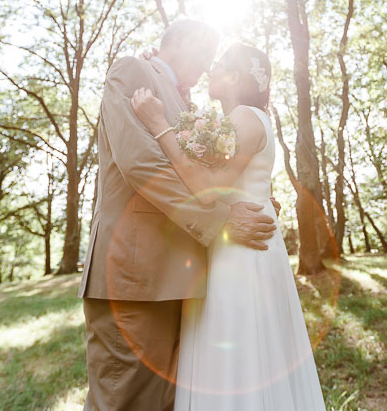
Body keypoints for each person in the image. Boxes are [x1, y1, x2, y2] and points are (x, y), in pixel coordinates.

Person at [79, 20, 278, 411]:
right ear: (182, 42)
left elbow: (211, 173)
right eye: (206, 54)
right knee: (125, 399)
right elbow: (141, 163)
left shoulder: (185, 101)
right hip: (136, 277)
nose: (208, 67)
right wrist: (221, 219)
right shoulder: (134, 71)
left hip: (183, 282)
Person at [131, 42, 326, 410]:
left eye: (218, 65)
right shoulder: (240, 120)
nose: (210, 70)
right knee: (247, 346)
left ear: (236, 76)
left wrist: (158, 124)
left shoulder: (246, 118)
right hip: (235, 242)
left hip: (240, 252)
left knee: (239, 348)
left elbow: (205, 190)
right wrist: (156, 66)